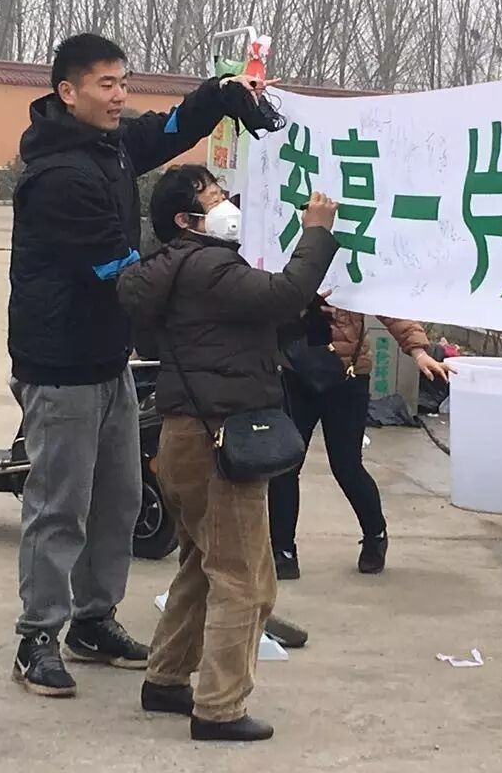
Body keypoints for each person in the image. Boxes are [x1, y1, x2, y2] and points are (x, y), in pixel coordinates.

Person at [7, 33, 270, 697]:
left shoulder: (112, 145)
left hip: (108, 358)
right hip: (59, 362)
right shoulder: (59, 176)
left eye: (123, 82)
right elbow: (122, 272)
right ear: (68, 92)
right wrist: (206, 279)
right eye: (106, 84)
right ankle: (38, 634)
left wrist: (223, 94)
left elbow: (170, 129)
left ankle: (93, 619)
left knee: (119, 499)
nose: (119, 95)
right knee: (59, 505)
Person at [118, 167, 339, 741]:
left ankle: (166, 678)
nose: (226, 204)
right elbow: (282, 292)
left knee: (201, 564)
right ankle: (219, 708)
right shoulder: (208, 265)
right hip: (217, 440)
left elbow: (252, 317)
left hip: (185, 438)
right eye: (212, 197)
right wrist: (316, 232)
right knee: (246, 581)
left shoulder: (173, 269)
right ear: (185, 220)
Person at [269, 301, 450, 579]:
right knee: (285, 466)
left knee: (347, 466)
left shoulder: (355, 274)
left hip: (346, 378)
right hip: (296, 372)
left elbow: (390, 305)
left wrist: (418, 351)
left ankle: (375, 535)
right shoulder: (293, 273)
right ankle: (283, 552)